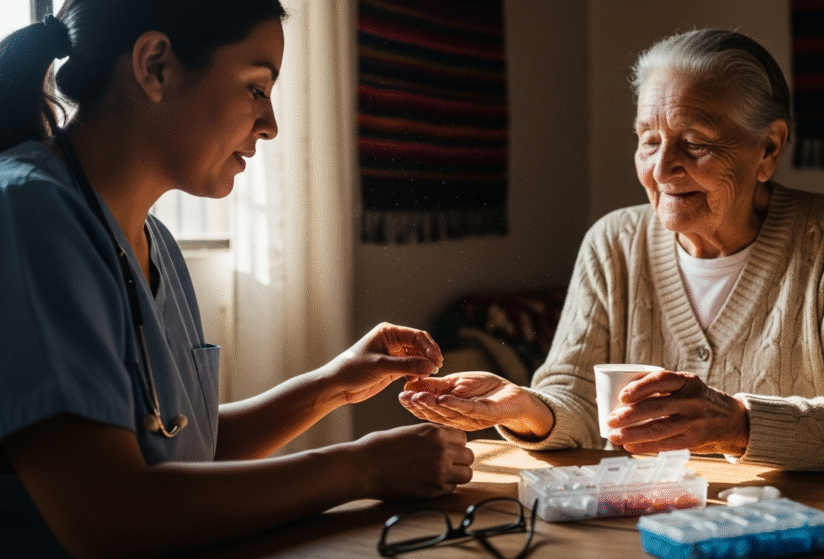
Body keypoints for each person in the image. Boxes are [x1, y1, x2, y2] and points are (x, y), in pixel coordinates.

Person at [0, 2, 473, 557]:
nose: (270, 125)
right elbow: (113, 515)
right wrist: (364, 468)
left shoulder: (154, 244)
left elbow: (184, 450)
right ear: (155, 66)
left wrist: (334, 385)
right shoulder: (27, 213)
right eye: (255, 89)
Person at [400, 29, 824, 471]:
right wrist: (526, 407)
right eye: (649, 140)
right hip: (640, 525)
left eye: (696, 142)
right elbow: (575, 395)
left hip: (801, 527)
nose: (661, 170)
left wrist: (738, 422)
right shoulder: (613, 242)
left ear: (769, 148)